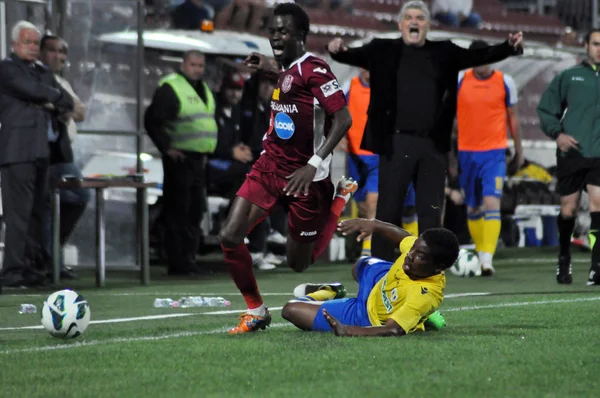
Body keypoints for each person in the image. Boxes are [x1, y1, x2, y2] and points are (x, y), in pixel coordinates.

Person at [326, 0, 524, 262]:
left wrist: (508, 47)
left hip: (433, 145)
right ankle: (380, 270)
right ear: (400, 24)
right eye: (409, 17)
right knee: (388, 211)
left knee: (431, 213)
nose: (414, 21)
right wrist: (336, 50)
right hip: (395, 144)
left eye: (420, 17)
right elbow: (349, 54)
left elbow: (478, 57)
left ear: (428, 25)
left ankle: (432, 272)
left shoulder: (444, 52)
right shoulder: (382, 49)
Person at [219, 2, 355, 334]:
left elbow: (344, 118)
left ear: (301, 35)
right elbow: (291, 80)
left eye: (283, 31)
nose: (276, 36)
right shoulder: (286, 67)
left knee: (299, 264)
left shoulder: (317, 68)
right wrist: (268, 66)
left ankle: (337, 202)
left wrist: (313, 164)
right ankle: (256, 310)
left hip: (306, 179)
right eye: (272, 31)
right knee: (229, 236)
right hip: (270, 167)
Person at [281, 218, 459, 336]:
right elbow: (403, 237)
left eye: (420, 256)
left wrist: (348, 330)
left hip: (365, 315)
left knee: (290, 310)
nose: (410, 255)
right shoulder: (416, 253)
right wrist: (372, 224)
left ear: (438, 268)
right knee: (360, 264)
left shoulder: (423, 294)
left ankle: (326, 292)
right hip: (381, 279)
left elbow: (392, 330)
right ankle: (336, 290)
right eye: (413, 249)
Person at [0, 21, 74, 288]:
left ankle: (31, 267)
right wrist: (47, 98)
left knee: (36, 214)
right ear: (14, 44)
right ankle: (12, 272)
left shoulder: (42, 71)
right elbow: (33, 91)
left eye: (35, 43)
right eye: (27, 42)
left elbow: (67, 101)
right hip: (17, 152)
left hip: (42, 152)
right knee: (17, 215)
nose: (32, 47)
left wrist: (46, 99)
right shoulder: (7, 69)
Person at [144, 50, 218, 276]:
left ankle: (189, 259)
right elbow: (152, 120)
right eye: (194, 64)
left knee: (195, 210)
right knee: (179, 210)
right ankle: (178, 262)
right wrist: (167, 147)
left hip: (198, 160)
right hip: (180, 160)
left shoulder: (202, 88)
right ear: (184, 65)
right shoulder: (172, 87)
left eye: (201, 65)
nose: (198, 69)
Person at [537, 28, 600, 286]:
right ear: (586, 45)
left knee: (598, 205)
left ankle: (597, 267)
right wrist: (558, 135)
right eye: (596, 43)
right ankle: (564, 257)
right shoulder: (569, 77)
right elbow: (546, 110)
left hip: (599, 154)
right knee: (568, 210)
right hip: (572, 153)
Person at [455, 39, 524, 276]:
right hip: (466, 153)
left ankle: (486, 259)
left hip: (495, 153)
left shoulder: (505, 82)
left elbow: (513, 119)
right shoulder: (460, 80)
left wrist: (519, 151)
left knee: (492, 202)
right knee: (473, 207)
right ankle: (480, 251)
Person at [341, 68, 419, 256]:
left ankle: (369, 252)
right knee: (362, 205)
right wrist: (337, 136)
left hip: (380, 155)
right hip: (355, 156)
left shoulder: (389, 88)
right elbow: (333, 111)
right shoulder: (349, 86)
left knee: (374, 201)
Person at [39, 34, 89, 280]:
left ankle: (52, 251)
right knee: (48, 205)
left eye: (62, 52)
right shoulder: (35, 78)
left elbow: (80, 111)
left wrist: (64, 107)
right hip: (45, 153)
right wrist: (63, 107)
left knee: (79, 195)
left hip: (64, 152)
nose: (58, 57)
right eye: (52, 51)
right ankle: (50, 261)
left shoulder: (61, 82)